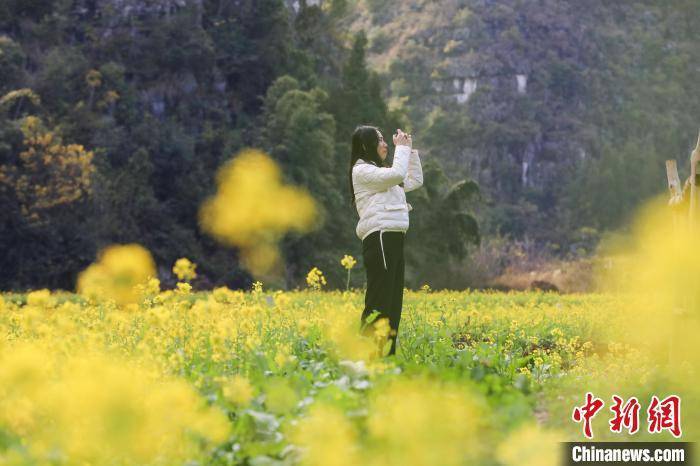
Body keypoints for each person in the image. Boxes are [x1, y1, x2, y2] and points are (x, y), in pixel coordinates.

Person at [349, 125, 423, 357]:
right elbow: (398, 174)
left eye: (384, 140)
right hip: (380, 237)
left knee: (393, 303)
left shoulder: (381, 176)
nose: (384, 144)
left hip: (393, 237)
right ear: (365, 146)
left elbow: (414, 180)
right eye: (379, 140)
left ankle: (385, 358)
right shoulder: (362, 172)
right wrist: (399, 148)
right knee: (379, 301)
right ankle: (366, 357)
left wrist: (408, 150)